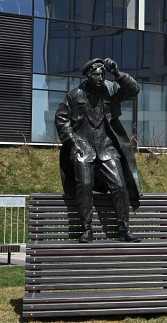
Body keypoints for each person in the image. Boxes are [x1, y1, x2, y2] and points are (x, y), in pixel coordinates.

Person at [55, 58, 142, 243]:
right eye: (96, 75)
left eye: (103, 74)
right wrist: (73, 144)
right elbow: (62, 119)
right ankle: (86, 229)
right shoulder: (74, 95)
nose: (101, 78)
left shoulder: (111, 89)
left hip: (106, 147)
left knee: (120, 185)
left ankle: (124, 229)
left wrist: (117, 73)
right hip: (82, 146)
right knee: (85, 184)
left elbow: (134, 90)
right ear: (88, 75)